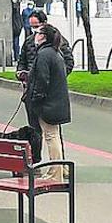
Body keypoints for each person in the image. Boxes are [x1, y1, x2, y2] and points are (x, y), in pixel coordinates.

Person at [24, 23, 71, 181]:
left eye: (37, 33)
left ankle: (55, 173)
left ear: (43, 37)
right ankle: (57, 171)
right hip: (55, 102)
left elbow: (42, 80)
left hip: (48, 104)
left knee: (51, 137)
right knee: (53, 136)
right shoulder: (54, 53)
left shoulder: (45, 54)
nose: (34, 36)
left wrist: (36, 99)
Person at [17, 11, 75, 77]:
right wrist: (21, 73)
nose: (34, 30)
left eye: (36, 26)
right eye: (32, 27)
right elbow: (22, 61)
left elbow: (68, 61)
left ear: (44, 23)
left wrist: (58, 76)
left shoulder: (58, 40)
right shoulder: (29, 41)